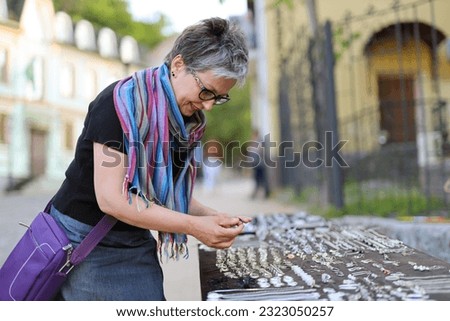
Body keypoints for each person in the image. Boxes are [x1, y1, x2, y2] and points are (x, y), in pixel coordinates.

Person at [49, 17, 251, 301]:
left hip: (132, 238)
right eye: (206, 91)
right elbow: (113, 199)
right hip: (87, 244)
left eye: (218, 98)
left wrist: (211, 216)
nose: (208, 105)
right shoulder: (118, 103)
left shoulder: (185, 119)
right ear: (179, 65)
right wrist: (194, 226)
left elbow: (157, 190)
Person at [250, 129, 271, 199]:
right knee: (257, 179)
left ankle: (266, 193)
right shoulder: (254, 142)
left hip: (260, 164)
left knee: (261, 179)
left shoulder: (260, 142)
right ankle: (258, 194)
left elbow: (261, 153)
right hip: (256, 164)